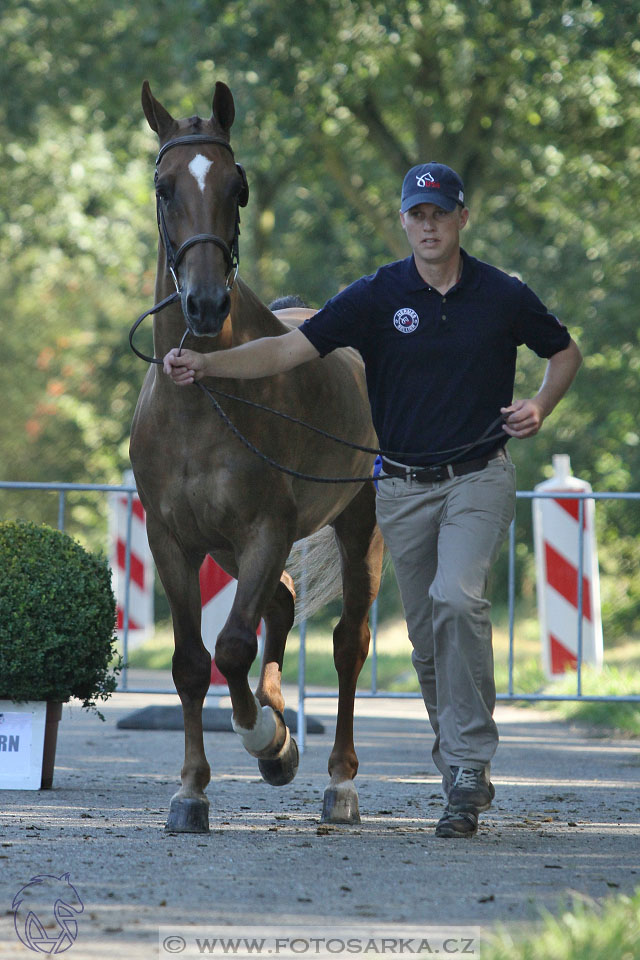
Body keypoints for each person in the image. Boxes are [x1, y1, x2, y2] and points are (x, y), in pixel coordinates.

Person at [163, 161, 582, 839]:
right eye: (417, 214)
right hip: (403, 487)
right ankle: (456, 771)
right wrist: (207, 364)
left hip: (477, 476)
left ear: (461, 219)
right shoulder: (377, 295)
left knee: (456, 598)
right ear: (404, 221)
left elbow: (564, 352)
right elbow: (284, 352)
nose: (429, 225)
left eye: (440, 213)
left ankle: (471, 763)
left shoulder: (503, 294)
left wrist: (540, 402)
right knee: (424, 638)